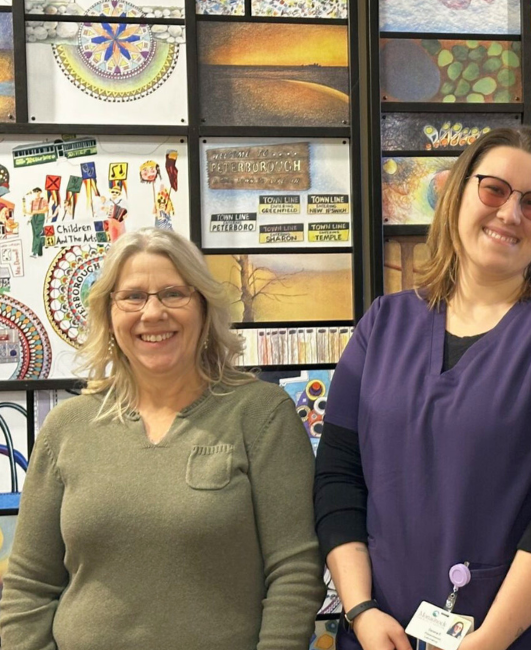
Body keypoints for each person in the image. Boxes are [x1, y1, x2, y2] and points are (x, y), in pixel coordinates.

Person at [315, 127, 531, 650]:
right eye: (494, 190)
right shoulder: (384, 323)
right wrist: (361, 610)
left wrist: (492, 639)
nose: (509, 214)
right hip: (382, 633)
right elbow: (338, 478)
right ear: (457, 194)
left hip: (520, 636)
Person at [0, 227, 325, 649]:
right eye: (133, 296)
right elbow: (28, 583)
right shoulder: (68, 427)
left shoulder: (261, 415)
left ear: (204, 309)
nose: (152, 313)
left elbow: (294, 571)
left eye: (174, 294)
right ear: (109, 313)